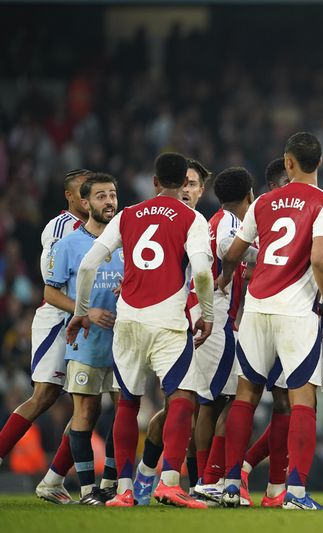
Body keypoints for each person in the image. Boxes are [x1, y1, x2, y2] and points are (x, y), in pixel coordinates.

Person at [67, 152, 215, 508]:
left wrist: (81, 312)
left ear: (154, 181)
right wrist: (206, 314)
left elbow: (88, 266)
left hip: (128, 320)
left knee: (128, 403)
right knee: (182, 398)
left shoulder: (127, 215)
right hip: (167, 322)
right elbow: (203, 272)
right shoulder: (192, 218)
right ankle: (169, 482)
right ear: (184, 184)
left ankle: (123, 490)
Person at [216, 132, 323, 511]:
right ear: (319, 162)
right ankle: (297, 494)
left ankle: (232, 485)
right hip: (297, 309)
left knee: (246, 395)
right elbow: (320, 259)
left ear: (288, 163)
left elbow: (234, 252)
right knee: (303, 399)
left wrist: (222, 280)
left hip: (256, 306)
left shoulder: (264, 202)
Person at [0, 169, 89, 504]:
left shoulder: (102, 229)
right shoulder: (61, 226)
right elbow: (52, 281)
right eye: (83, 190)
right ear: (69, 195)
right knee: (44, 396)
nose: (87, 196)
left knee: (88, 403)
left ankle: (53, 479)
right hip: (59, 318)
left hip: (88, 322)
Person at [134, 157, 211, 504]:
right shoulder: (173, 224)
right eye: (185, 182)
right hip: (172, 324)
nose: (187, 189)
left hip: (202, 325)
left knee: (192, 405)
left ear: (200, 189)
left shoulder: (206, 224)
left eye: (194, 184)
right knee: (181, 403)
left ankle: (167, 479)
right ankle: (154, 476)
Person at [44, 173, 123, 505]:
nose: (109, 202)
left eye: (113, 195)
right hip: (87, 341)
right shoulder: (68, 245)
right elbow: (50, 291)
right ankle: (89, 491)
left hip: (123, 342)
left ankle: (112, 484)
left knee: (125, 413)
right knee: (86, 413)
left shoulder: (127, 241)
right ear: (86, 203)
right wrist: (84, 311)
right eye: (101, 196)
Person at [191, 167, 256, 505]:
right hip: (215, 318)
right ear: (250, 194)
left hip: (208, 315)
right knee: (232, 399)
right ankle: (212, 479)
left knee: (209, 402)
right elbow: (235, 252)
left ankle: (204, 480)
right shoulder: (231, 223)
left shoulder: (212, 221)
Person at [237, 158, 294, 508]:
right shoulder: (262, 213)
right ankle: (234, 476)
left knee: (286, 400)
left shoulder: (268, 212)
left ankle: (262, 482)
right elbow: (236, 256)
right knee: (256, 397)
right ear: (276, 185)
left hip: (283, 316)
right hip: (270, 317)